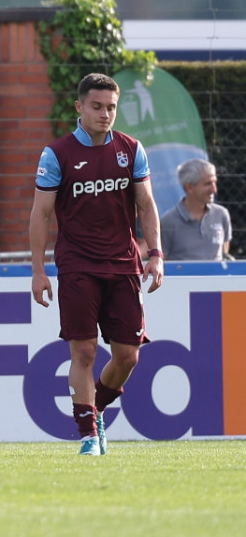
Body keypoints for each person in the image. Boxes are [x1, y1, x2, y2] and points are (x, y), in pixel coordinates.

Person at [29, 73, 164, 456]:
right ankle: (88, 435)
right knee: (84, 352)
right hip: (77, 266)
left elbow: (146, 204)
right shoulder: (56, 154)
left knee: (128, 356)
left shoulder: (131, 149)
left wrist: (155, 254)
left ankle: (96, 407)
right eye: (97, 106)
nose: (105, 114)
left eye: (111, 107)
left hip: (123, 265)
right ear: (79, 107)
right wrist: (38, 271)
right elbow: (40, 215)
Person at [161, 158, 232, 261]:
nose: (214, 189)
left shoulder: (221, 214)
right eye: (208, 184)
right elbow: (161, 263)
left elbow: (224, 253)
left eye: (214, 182)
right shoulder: (168, 222)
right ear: (189, 187)